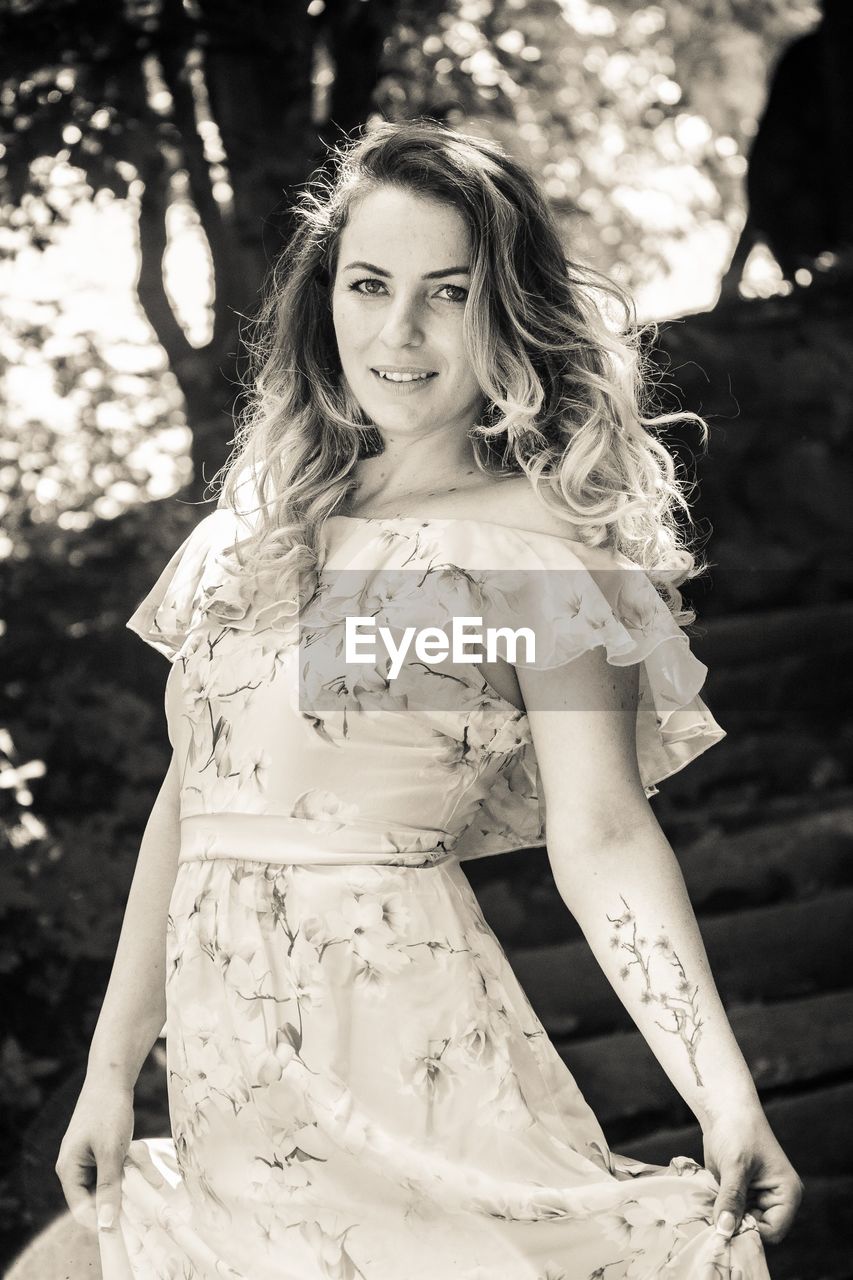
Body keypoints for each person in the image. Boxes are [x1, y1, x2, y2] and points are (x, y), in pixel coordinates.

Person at [56, 118, 802, 1280]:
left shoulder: (531, 552)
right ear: (324, 297)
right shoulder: (256, 527)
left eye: (446, 293)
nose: (397, 332)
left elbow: (602, 834)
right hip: (230, 1086)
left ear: (506, 310)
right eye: (369, 284)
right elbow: (195, 800)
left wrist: (723, 1092)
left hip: (399, 1051)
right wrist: (110, 1072)